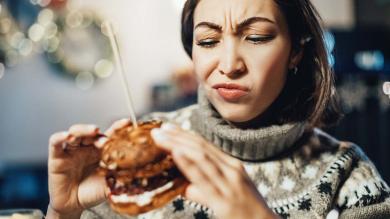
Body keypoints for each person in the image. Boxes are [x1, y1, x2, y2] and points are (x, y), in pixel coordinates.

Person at [46, 0, 390, 218]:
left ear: (296, 52)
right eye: (208, 42)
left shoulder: (348, 176)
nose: (228, 65)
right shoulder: (144, 156)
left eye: (256, 37)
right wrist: (64, 213)